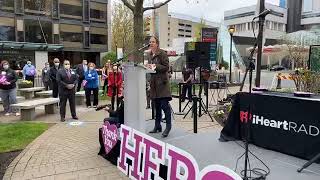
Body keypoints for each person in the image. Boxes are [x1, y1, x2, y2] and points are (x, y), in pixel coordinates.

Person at [146, 36, 172, 138]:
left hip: (162, 84)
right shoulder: (149, 54)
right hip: (154, 85)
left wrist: (155, 66)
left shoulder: (162, 53)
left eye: (153, 42)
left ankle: (168, 126)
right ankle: (157, 126)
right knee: (156, 106)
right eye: (150, 42)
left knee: (164, 106)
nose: (151, 43)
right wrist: (147, 68)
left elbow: (166, 67)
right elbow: (151, 69)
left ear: (157, 43)